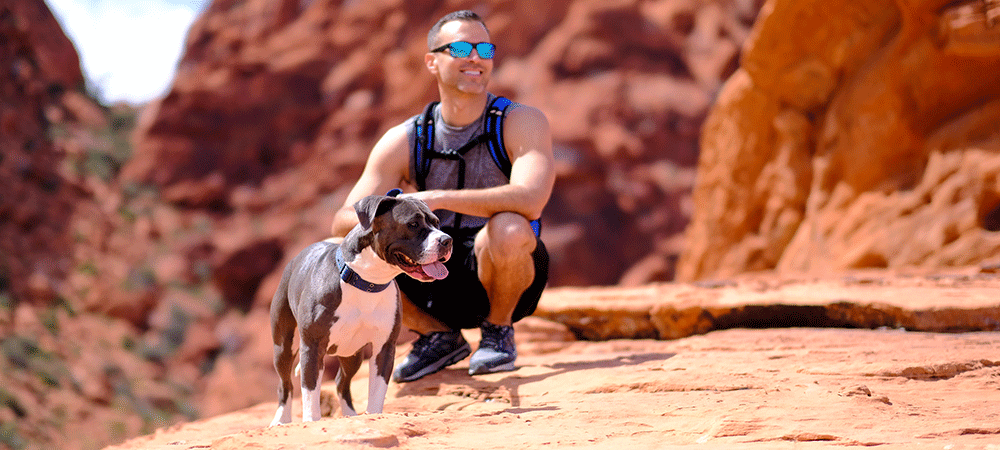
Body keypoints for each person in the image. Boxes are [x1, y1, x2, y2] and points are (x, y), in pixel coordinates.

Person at [329, 10, 555, 382]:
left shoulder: (520, 121)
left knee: (511, 226)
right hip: (429, 273)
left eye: (485, 49)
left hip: (502, 273)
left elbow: (530, 199)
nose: (476, 58)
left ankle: (498, 334)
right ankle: (436, 336)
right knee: (345, 244)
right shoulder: (405, 139)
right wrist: (397, 213)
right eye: (462, 48)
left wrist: (436, 198)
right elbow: (342, 219)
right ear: (432, 61)